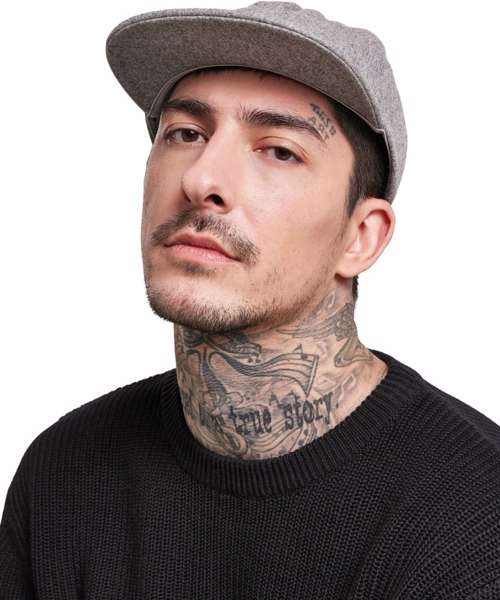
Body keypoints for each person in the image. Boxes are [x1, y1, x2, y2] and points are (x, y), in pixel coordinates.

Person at [1, 2, 499, 598]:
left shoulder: (476, 519)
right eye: (186, 134)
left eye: (279, 150)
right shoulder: (63, 475)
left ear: (361, 237)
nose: (201, 180)